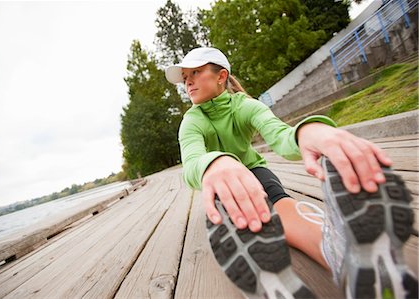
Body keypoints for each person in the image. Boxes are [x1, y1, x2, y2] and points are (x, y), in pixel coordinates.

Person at [165, 47, 417, 299]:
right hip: (220, 183)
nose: (187, 81)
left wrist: (308, 131)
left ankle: (342, 257)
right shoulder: (191, 121)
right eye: (185, 76)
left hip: (254, 171)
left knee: (282, 205)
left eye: (195, 72)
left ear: (221, 76)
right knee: (235, 206)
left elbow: (279, 134)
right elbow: (192, 162)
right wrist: (214, 163)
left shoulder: (245, 105)